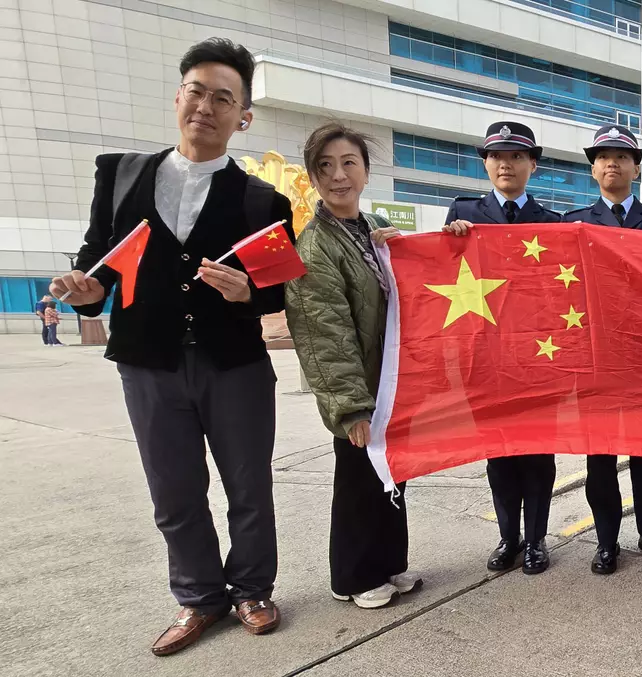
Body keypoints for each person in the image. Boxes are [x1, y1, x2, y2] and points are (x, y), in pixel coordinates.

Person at [49, 38, 293, 655]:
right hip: (148, 362)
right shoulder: (122, 174)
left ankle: (253, 590)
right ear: (178, 95)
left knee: (247, 484)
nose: (206, 107)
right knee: (174, 489)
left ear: (243, 116)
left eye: (223, 98)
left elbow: (277, 294)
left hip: (233, 364)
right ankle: (199, 597)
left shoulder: (266, 200)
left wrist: (247, 295)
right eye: (197, 91)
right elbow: (97, 272)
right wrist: (81, 292)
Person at [284, 122, 422, 609]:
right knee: (359, 482)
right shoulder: (316, 246)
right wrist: (349, 408)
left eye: (348, 163)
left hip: (389, 385)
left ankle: (387, 563)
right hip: (360, 390)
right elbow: (325, 335)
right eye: (325, 167)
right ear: (313, 178)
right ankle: (354, 576)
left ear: (365, 171)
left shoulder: (368, 229)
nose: (338, 175)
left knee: (389, 475)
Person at [443, 120, 561, 576]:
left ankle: (536, 541)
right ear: (486, 163)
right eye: (497, 156)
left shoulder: (553, 225)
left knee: (537, 453)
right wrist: (447, 243)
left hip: (538, 355)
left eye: (515, 156)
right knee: (500, 452)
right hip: (486, 355)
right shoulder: (462, 215)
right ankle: (507, 537)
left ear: (532, 164)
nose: (505, 164)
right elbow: (438, 277)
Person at [562, 124, 642, 575]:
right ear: (593, 168)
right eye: (603, 155)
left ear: (636, 166)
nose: (612, 162)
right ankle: (607, 541)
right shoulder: (572, 223)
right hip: (595, 357)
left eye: (622, 155)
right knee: (601, 459)